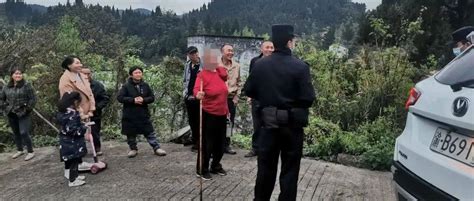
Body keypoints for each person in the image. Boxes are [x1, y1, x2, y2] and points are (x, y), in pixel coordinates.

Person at [244, 25, 316, 201]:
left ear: (274, 43)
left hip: (268, 125)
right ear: (289, 42)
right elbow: (308, 98)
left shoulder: (260, 65)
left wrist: (268, 99)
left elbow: (249, 91)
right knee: (290, 171)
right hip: (292, 127)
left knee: (265, 169)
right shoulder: (301, 67)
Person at [194, 49, 228, 180]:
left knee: (220, 143)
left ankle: (215, 165)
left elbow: (225, 76)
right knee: (207, 143)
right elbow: (196, 90)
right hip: (209, 113)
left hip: (222, 112)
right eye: (210, 59)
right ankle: (202, 169)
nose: (213, 61)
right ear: (205, 61)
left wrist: (219, 66)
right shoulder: (202, 75)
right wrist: (198, 95)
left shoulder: (220, 72)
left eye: (215, 58)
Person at [117, 66, 167, 158]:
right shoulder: (126, 86)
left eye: (140, 72)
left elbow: (152, 98)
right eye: (136, 73)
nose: (138, 74)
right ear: (131, 75)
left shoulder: (145, 85)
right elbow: (120, 98)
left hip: (143, 113)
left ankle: (156, 148)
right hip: (130, 114)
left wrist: (143, 100)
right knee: (131, 133)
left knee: (149, 132)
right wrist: (133, 100)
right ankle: (133, 149)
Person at [59, 56, 95, 171]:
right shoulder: (65, 79)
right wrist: (81, 114)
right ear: (69, 65)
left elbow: (90, 94)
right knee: (74, 140)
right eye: (77, 63)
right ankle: (74, 167)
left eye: (80, 62)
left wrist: (91, 110)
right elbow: (70, 101)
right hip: (75, 114)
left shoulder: (82, 75)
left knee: (80, 140)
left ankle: (80, 162)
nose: (80, 65)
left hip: (87, 110)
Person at [245, 41, 274, 158]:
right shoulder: (255, 61)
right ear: (261, 49)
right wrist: (249, 95)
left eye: (272, 47)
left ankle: (268, 149)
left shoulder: (276, 62)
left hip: (271, 99)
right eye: (267, 47)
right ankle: (255, 148)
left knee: (269, 124)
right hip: (257, 98)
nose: (270, 49)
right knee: (257, 124)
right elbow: (251, 79)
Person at [0, 68, 37, 161]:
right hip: (11, 113)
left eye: (20, 74)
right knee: (16, 132)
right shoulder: (7, 87)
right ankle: (20, 150)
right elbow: (1, 98)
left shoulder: (26, 85)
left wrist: (27, 109)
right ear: (12, 75)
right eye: (16, 74)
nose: (18, 75)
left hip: (23, 112)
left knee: (24, 132)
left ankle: (30, 151)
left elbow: (33, 99)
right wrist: (5, 107)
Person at [57, 91, 92, 187]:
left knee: (68, 161)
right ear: (75, 102)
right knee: (74, 161)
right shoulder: (71, 114)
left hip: (65, 141)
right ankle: (73, 180)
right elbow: (73, 130)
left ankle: (70, 176)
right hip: (73, 143)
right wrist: (84, 127)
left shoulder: (62, 112)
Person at [81, 67, 110, 156]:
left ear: (91, 74)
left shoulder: (98, 85)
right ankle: (82, 150)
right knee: (79, 131)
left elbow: (105, 98)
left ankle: (97, 148)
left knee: (95, 131)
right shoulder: (77, 85)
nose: (86, 76)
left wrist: (96, 107)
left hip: (95, 113)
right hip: (80, 113)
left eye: (88, 73)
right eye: (84, 74)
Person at [219, 44, 240, 155]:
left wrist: (237, 96)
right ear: (222, 52)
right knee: (217, 122)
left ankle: (227, 145)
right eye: (228, 51)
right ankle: (216, 145)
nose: (231, 53)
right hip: (218, 99)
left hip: (231, 99)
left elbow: (240, 83)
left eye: (232, 51)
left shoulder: (236, 66)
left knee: (229, 123)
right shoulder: (215, 65)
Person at [183, 46, 202, 152]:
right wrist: (185, 93)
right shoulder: (187, 65)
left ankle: (200, 142)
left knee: (200, 121)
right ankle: (194, 140)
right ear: (188, 55)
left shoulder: (203, 65)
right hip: (189, 97)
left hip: (199, 97)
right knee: (192, 121)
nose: (194, 55)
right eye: (191, 54)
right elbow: (185, 80)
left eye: (195, 53)